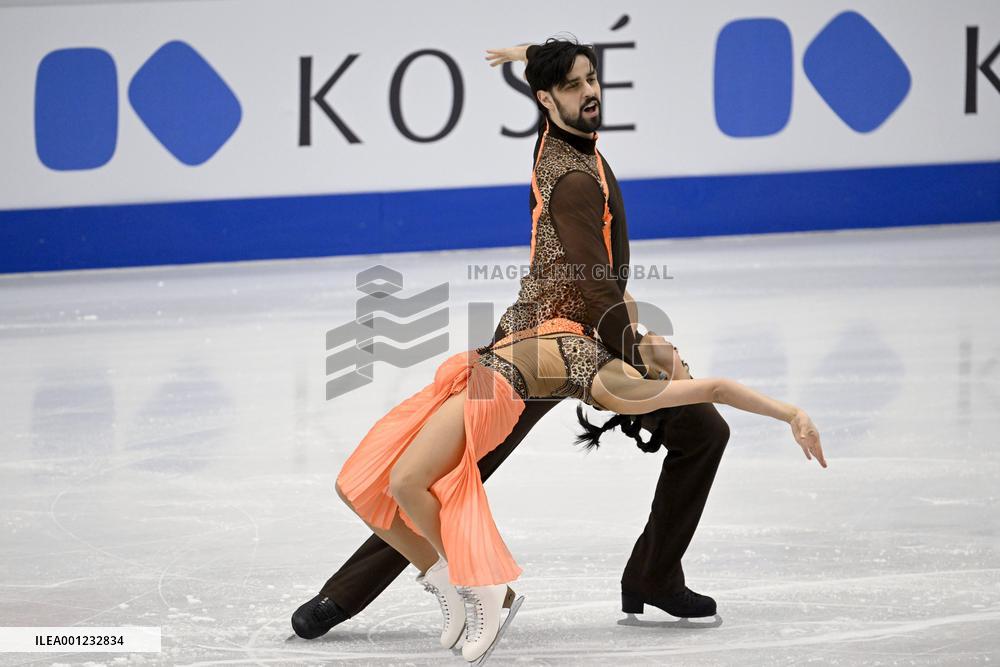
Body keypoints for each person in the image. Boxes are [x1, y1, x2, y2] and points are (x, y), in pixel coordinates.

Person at [292, 39, 826, 661]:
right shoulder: (573, 178)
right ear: (547, 100)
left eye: (592, 78)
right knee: (446, 469)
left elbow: (596, 283)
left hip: (561, 336)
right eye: (574, 86)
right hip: (549, 346)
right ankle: (346, 595)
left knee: (700, 431)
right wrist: (638, 353)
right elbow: (593, 285)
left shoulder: (561, 135)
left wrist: (533, 52)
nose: (590, 91)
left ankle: (653, 576)